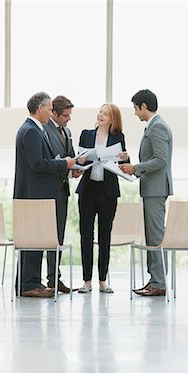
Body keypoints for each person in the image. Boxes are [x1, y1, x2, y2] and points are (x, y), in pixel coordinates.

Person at [13, 91, 75, 298]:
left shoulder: (34, 129)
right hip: (34, 195)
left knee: (34, 240)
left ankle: (30, 283)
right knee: (33, 242)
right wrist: (64, 163)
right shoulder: (31, 131)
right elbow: (37, 164)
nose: (51, 113)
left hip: (35, 194)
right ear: (40, 108)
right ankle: (29, 284)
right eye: (49, 109)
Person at [120, 89, 173, 296]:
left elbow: (161, 160)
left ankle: (159, 283)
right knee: (152, 236)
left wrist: (136, 168)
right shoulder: (153, 126)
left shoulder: (157, 127)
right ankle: (155, 280)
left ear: (143, 106)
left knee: (156, 236)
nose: (134, 113)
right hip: (152, 189)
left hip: (156, 190)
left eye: (135, 108)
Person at [76, 103, 128, 294]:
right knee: (86, 235)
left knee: (105, 235)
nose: (101, 115)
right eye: (100, 112)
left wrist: (124, 157)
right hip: (88, 191)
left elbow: (124, 162)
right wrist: (79, 160)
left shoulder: (118, 137)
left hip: (108, 192)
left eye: (105, 114)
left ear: (113, 119)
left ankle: (103, 280)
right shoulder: (86, 134)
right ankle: (87, 281)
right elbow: (79, 157)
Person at [43, 95, 81, 293]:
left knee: (58, 236)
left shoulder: (67, 131)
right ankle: (49, 279)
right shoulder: (45, 131)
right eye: (66, 115)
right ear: (54, 114)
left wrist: (75, 168)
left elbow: (70, 157)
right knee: (46, 237)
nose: (69, 119)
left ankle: (54, 278)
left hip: (62, 190)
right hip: (48, 191)